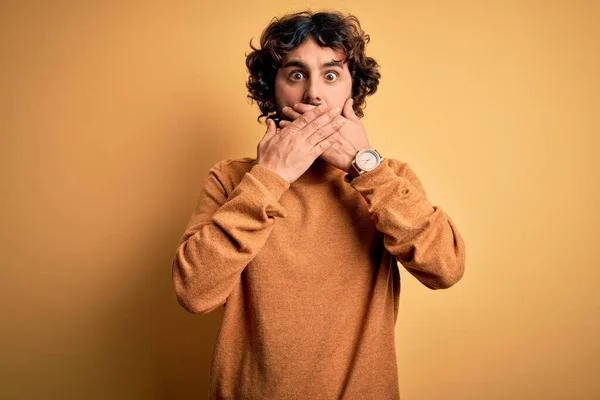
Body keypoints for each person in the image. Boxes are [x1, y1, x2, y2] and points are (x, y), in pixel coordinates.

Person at [171, 10, 466, 399]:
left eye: (330, 75)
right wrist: (270, 177)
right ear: (271, 89)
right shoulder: (231, 179)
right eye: (296, 74)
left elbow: (445, 268)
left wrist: (366, 167)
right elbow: (194, 292)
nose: (313, 93)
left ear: (352, 90)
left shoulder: (386, 178)